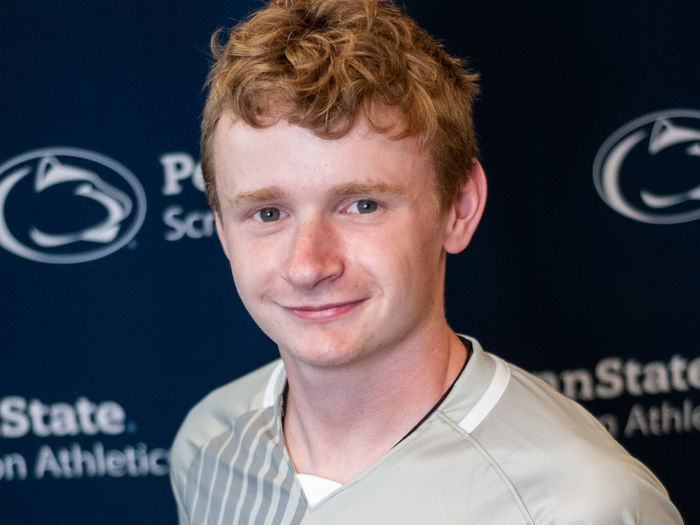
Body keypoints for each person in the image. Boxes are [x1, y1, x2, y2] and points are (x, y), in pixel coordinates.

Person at [170, 1, 683, 523]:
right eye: (268, 212)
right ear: (221, 229)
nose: (308, 265)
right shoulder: (209, 442)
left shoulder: (578, 504)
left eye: (362, 206)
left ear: (458, 209)